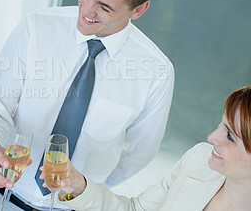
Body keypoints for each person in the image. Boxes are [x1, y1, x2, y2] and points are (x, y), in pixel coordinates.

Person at [0, 0, 174, 210]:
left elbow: (140, 152)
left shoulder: (156, 72)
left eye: (104, 7)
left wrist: (86, 191)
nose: (86, 11)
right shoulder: (37, 27)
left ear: (139, 10)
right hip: (4, 198)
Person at [46, 86, 251, 210]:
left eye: (230, 136)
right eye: (222, 125)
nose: (212, 137)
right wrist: (80, 187)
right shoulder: (198, 161)